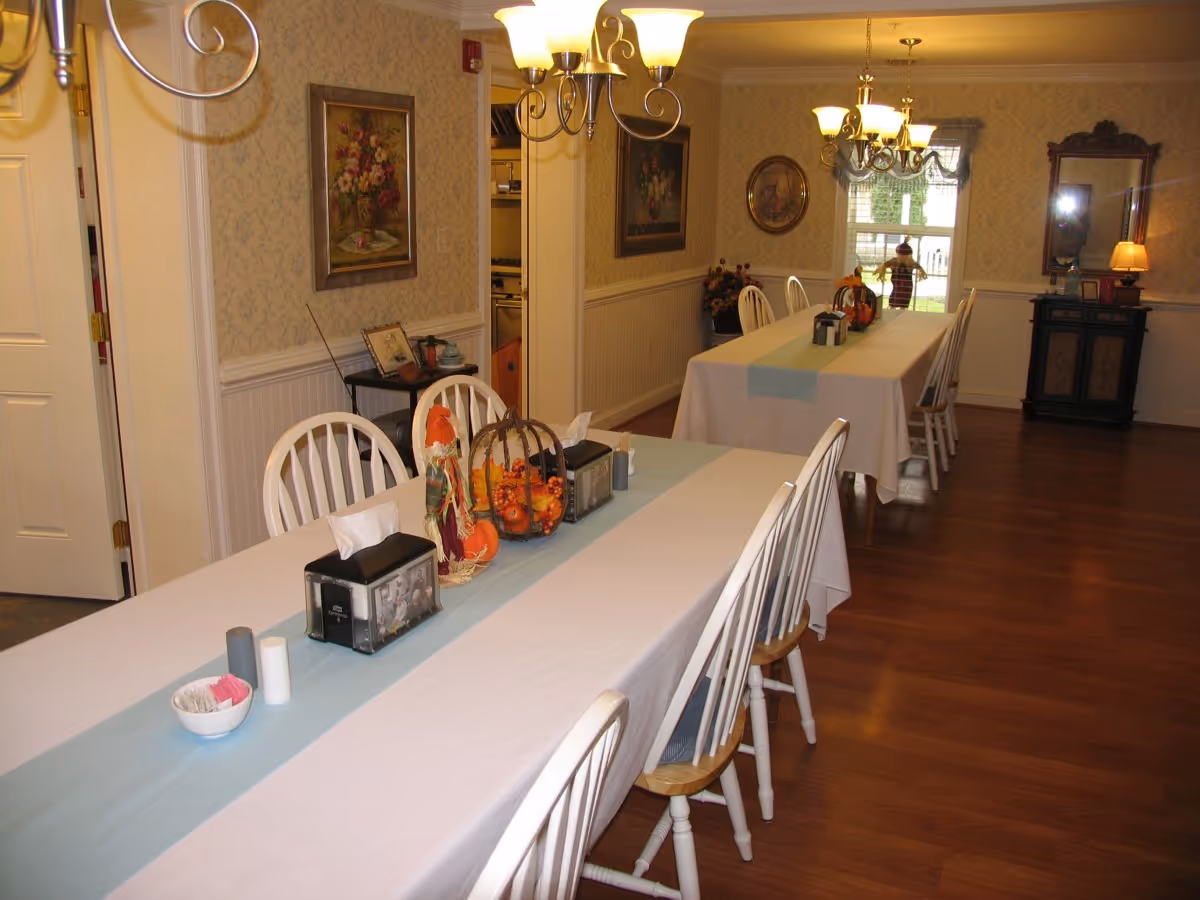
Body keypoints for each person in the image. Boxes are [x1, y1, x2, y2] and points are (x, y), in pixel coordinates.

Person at [875, 237, 927, 309]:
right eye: (901, 255)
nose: (903, 257)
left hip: (907, 288)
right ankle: (892, 310)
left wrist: (922, 272)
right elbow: (884, 265)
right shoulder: (894, 261)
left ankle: (901, 312)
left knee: (903, 304)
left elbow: (920, 268)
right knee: (893, 302)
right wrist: (881, 271)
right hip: (897, 287)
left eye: (905, 256)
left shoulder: (911, 263)